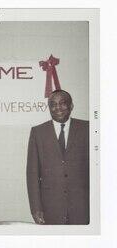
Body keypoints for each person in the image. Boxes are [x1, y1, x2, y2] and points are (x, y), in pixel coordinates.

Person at [26, 89, 89, 224]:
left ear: (71, 106)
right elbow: (32, 174)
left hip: (83, 207)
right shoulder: (38, 132)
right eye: (53, 104)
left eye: (62, 103)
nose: (57, 108)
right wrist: (35, 208)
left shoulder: (87, 128)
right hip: (51, 208)